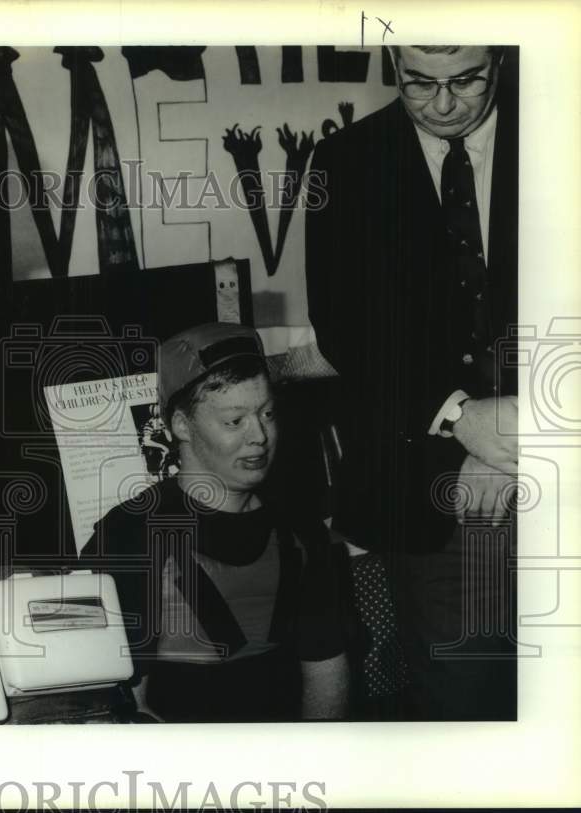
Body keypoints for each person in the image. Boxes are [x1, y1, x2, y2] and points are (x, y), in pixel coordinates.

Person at [305, 46, 518, 719]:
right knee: (467, 701)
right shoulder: (344, 164)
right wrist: (460, 418)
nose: (445, 101)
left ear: (502, 59)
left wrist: (528, 429)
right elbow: (345, 328)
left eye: (466, 79)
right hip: (427, 496)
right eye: (419, 81)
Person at [81, 323, 349, 722]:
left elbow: (326, 676)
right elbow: (122, 709)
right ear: (181, 426)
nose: (259, 435)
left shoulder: (303, 533)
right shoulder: (127, 538)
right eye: (234, 421)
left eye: (267, 413)